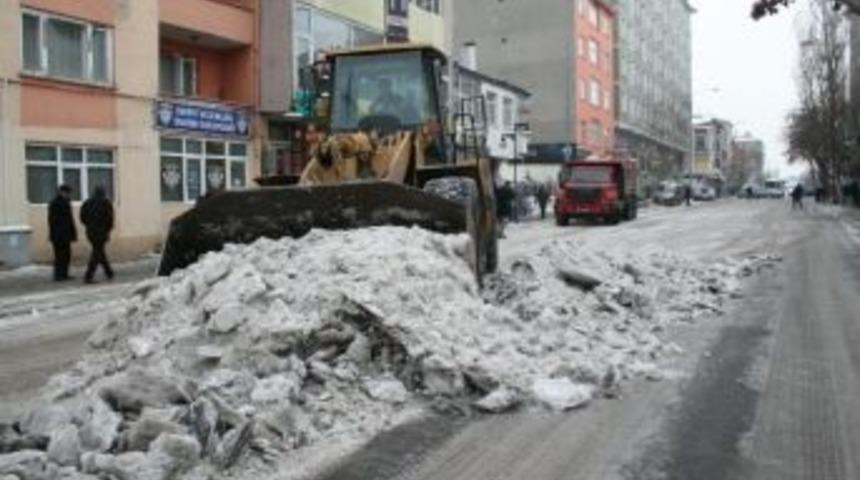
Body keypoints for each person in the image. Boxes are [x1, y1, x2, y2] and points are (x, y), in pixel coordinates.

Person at [80, 187, 115, 283]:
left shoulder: (87, 203)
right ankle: (88, 276)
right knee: (97, 253)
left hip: (91, 232)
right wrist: (108, 229)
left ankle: (109, 272)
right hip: (102, 231)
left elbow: (82, 218)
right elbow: (110, 218)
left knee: (99, 251)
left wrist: (89, 225)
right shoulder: (106, 203)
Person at [48, 185, 77, 281]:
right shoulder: (56, 203)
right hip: (59, 235)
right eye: (67, 193)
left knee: (66, 255)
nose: (68, 195)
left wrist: (72, 233)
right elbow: (53, 221)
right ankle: (58, 275)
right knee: (59, 255)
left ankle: (64, 274)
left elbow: (69, 220)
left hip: (65, 234)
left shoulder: (65, 202)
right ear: (62, 192)